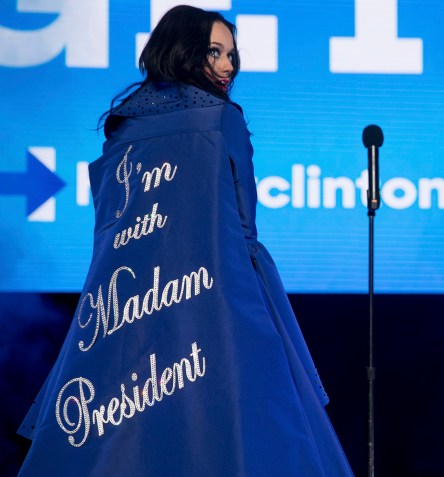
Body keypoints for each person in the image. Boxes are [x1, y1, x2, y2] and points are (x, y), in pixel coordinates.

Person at [17, 5, 354, 476]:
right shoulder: (222, 119)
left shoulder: (120, 128)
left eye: (232, 55)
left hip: (129, 306)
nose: (227, 66)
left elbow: (109, 231)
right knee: (230, 425)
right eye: (214, 52)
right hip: (216, 299)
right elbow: (243, 227)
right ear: (183, 50)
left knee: (132, 430)